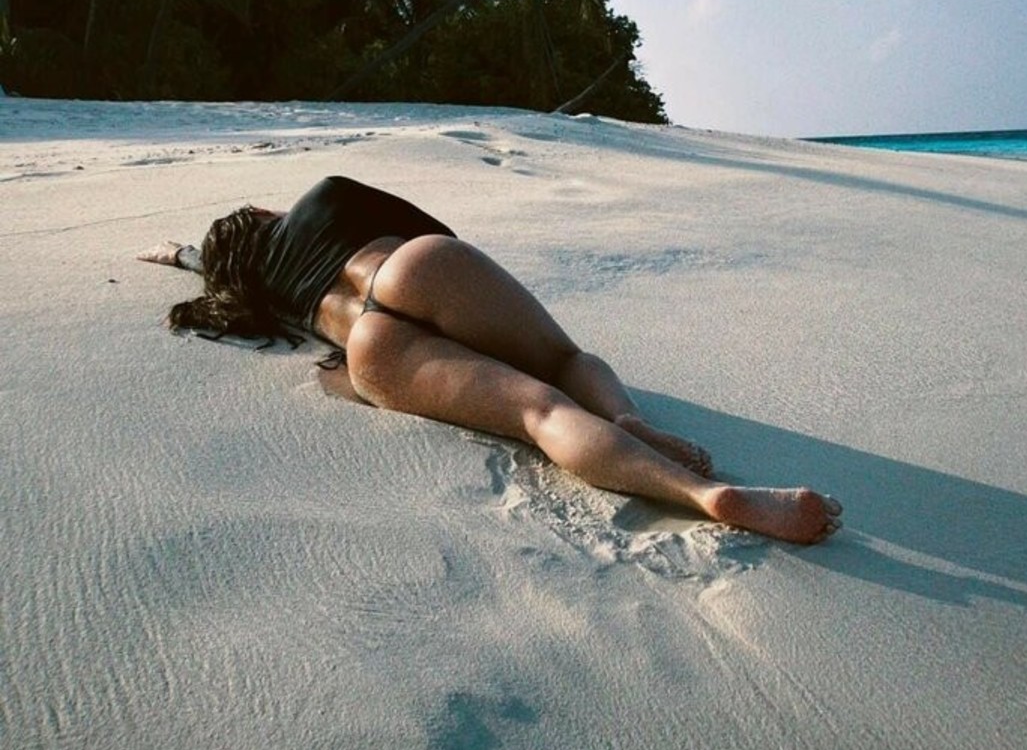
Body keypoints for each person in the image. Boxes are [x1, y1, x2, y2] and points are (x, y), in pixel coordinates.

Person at [139, 174, 842, 545]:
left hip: (367, 350)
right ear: (264, 215)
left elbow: (206, 263)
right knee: (562, 363)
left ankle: (703, 500)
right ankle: (628, 418)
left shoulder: (255, 290)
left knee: (539, 414)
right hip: (408, 265)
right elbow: (431, 230)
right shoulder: (321, 195)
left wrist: (178, 255)